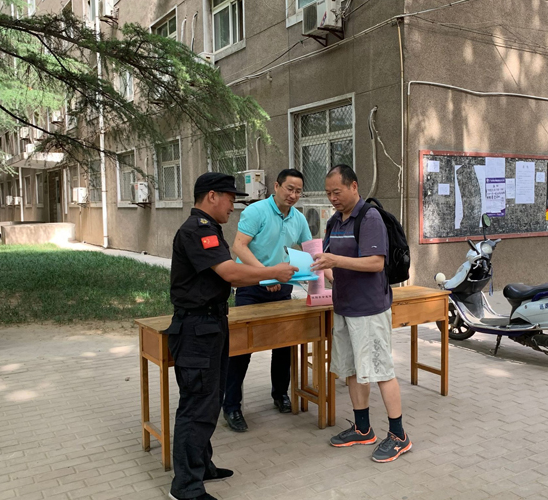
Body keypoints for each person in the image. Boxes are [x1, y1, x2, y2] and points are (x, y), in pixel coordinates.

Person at [166, 172, 297, 500]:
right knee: (196, 405)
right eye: (229, 198)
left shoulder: (210, 229)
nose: (233, 206)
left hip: (211, 324)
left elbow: (228, 275)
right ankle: (185, 487)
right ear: (212, 196)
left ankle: (202, 467)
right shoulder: (197, 230)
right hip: (197, 328)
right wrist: (271, 272)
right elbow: (230, 273)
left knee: (210, 401)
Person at [311, 164, 412, 463]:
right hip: (344, 307)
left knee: (381, 371)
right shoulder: (334, 221)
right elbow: (331, 262)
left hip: (369, 310)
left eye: (337, 192)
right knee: (353, 370)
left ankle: (399, 436)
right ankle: (363, 428)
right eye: (328, 193)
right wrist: (323, 269)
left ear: (354, 186)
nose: (332, 198)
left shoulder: (369, 217)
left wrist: (335, 261)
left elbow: (375, 263)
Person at [224, 169, 313, 432]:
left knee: (284, 344)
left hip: (281, 287)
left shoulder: (298, 218)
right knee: (241, 348)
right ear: (276, 186)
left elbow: (311, 251)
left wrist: (327, 275)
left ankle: (280, 394)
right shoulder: (256, 211)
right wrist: (266, 274)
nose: (293, 195)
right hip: (251, 286)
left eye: (298, 191)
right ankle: (231, 406)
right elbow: (239, 246)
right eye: (289, 189)